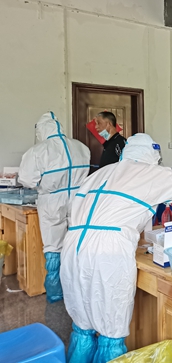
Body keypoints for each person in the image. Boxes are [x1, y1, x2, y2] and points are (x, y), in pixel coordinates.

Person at [60, 134, 172, 363]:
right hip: (108, 250)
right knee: (111, 325)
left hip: (73, 245)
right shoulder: (149, 172)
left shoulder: (100, 173)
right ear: (152, 154)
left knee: (82, 323)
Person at [18, 112, 90, 303]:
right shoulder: (80, 147)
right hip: (78, 200)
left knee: (53, 246)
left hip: (51, 202)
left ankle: (56, 292)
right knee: (77, 242)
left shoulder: (38, 151)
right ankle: (78, 289)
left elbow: (27, 180)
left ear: (41, 130)